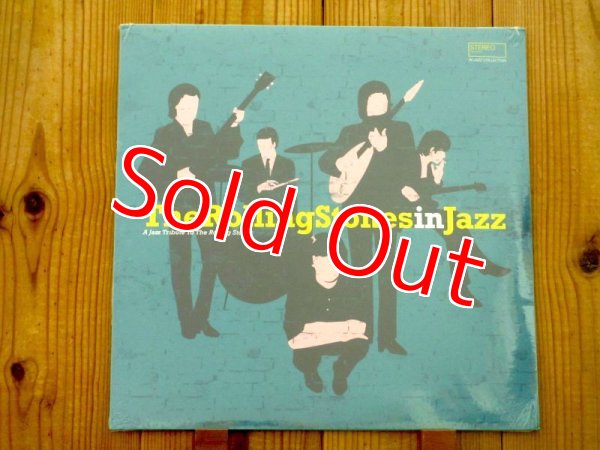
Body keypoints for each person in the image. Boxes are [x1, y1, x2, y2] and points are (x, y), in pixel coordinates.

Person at [319, 80, 418, 355]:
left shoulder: (401, 130)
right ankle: (362, 335)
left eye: (384, 100)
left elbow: (410, 167)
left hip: (388, 211)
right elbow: (325, 161)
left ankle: (388, 338)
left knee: (388, 275)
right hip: (356, 211)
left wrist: (385, 149)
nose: (380, 105)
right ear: (363, 105)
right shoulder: (350, 132)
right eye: (374, 101)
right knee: (360, 273)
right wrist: (337, 163)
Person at [140, 83, 245, 339]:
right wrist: (176, 174)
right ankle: (186, 321)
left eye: (195, 105)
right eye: (185, 106)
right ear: (174, 106)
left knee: (212, 260)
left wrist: (234, 127)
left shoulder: (205, 129)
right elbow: (146, 170)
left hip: (207, 206)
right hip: (178, 207)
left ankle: (201, 317)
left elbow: (227, 153)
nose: (191, 110)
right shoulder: (164, 134)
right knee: (181, 266)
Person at [411, 130, 510, 305]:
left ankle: (465, 284)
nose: (444, 157)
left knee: (454, 229)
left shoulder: (429, 166)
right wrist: (433, 182)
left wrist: (438, 177)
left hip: (423, 210)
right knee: (453, 226)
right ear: (433, 150)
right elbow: (411, 193)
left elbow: (429, 192)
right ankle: (481, 269)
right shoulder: (409, 161)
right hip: (403, 211)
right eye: (443, 153)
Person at [284, 234, 369, 395]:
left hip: (333, 341)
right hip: (311, 344)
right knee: (302, 352)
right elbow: (292, 327)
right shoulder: (300, 289)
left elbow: (362, 327)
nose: (331, 266)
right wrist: (345, 327)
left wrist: (314, 328)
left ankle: (341, 371)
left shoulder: (352, 287)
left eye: (336, 261)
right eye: (324, 259)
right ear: (314, 261)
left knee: (360, 344)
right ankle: (310, 372)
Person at [239, 127, 296, 204]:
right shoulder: (248, 164)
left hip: (279, 209)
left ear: (274, 144)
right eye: (260, 146)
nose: (262, 149)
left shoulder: (287, 164)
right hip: (255, 209)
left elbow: (291, 196)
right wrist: (259, 188)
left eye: (265, 146)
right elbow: (242, 196)